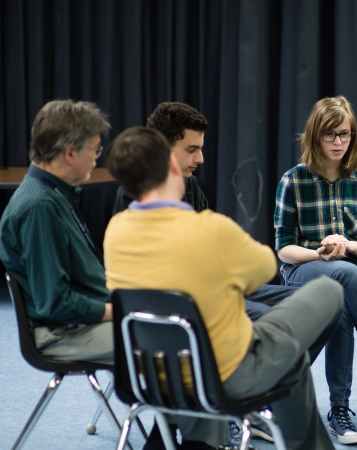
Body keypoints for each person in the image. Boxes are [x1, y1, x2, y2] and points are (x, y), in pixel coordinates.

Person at [104, 126, 343, 450]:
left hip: (155, 374)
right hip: (227, 376)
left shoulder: (115, 231)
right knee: (328, 288)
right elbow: (265, 269)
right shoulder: (210, 229)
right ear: (173, 166)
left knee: (292, 359)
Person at [274, 95, 357, 445]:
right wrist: (320, 254)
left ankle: (339, 410)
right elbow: (284, 250)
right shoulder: (293, 181)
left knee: (343, 292)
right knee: (342, 276)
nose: (339, 143)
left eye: (346, 134)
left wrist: (348, 246)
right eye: (330, 135)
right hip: (304, 271)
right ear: (314, 136)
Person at [0, 100, 113, 364]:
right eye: (95, 149)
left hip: (83, 321)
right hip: (64, 332)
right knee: (177, 339)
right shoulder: (39, 207)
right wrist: (118, 311)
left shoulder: (53, 194)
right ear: (70, 153)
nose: (98, 156)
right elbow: (57, 304)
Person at [112, 102, 208, 213]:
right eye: (191, 150)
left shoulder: (191, 184)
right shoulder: (130, 193)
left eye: (200, 149)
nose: (200, 159)